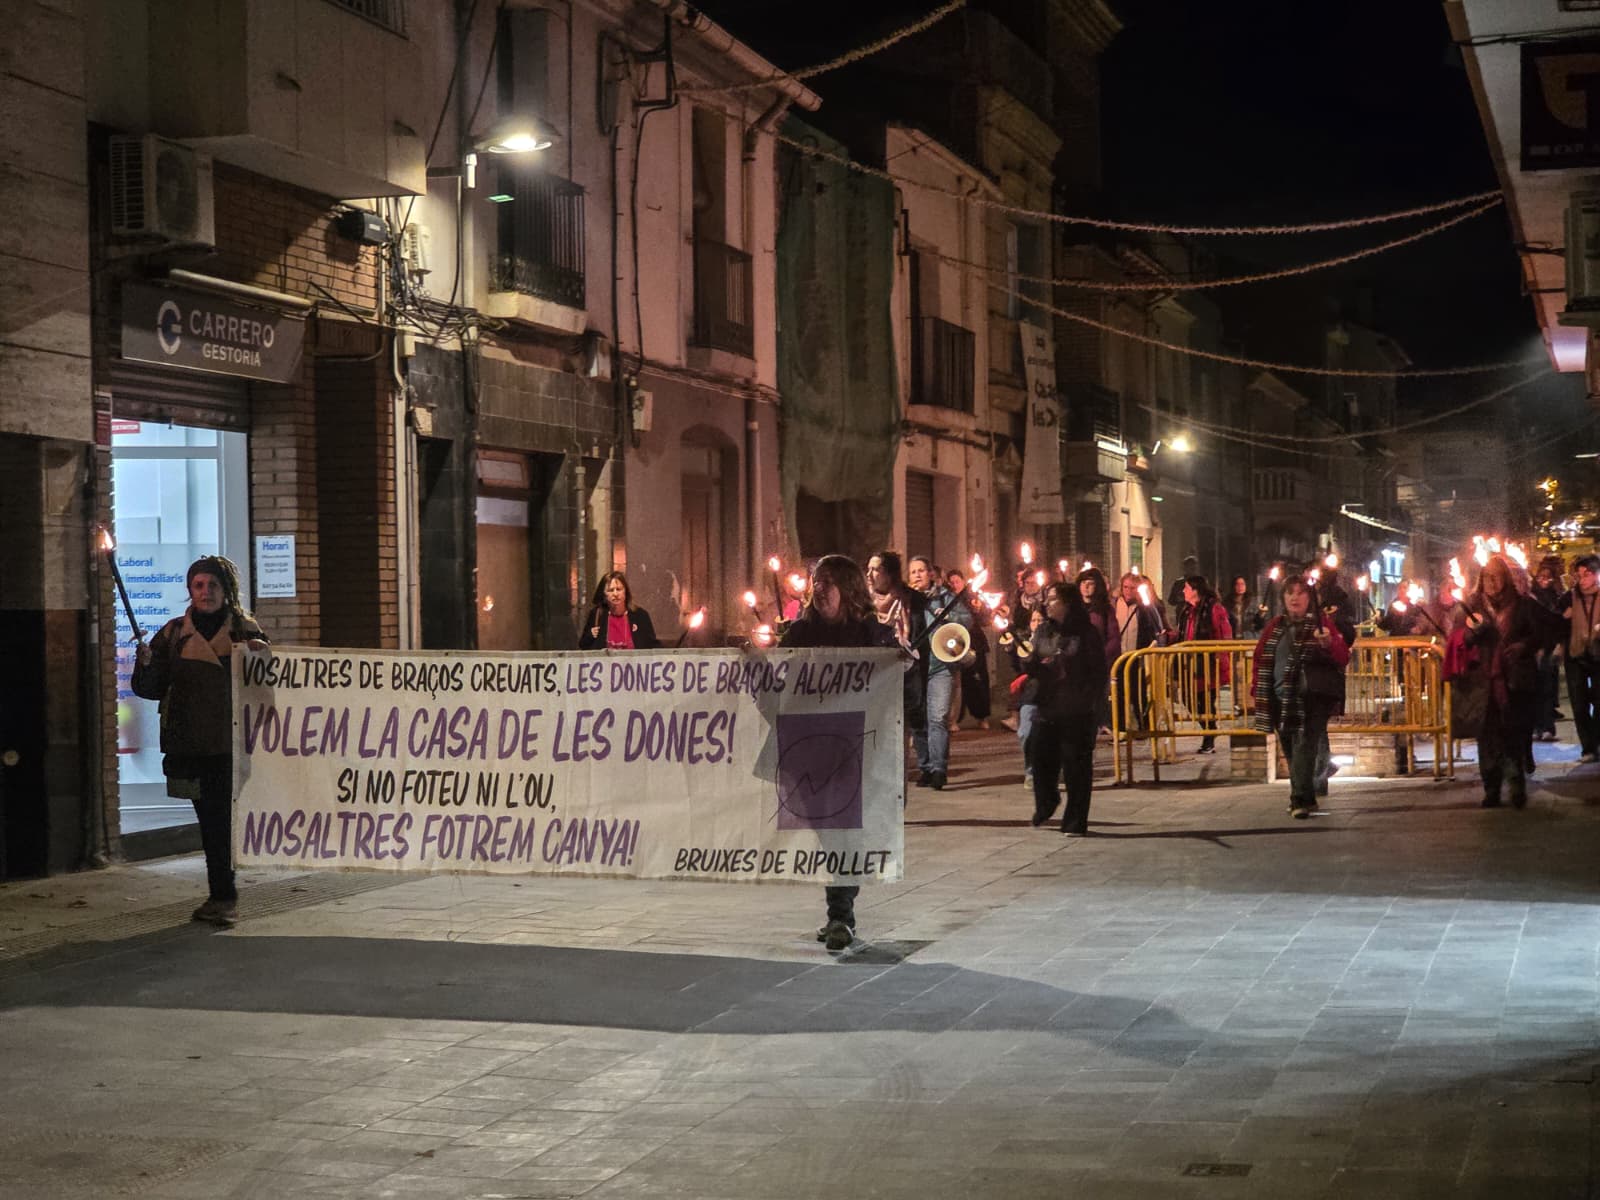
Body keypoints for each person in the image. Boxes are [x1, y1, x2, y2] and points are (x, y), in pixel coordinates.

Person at [130, 556, 268, 927]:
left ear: (227, 590)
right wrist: (144, 664)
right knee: (208, 820)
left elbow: (264, 692)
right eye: (199, 586)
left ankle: (224, 897)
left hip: (227, 745)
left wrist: (260, 659)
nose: (206, 593)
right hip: (187, 746)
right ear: (190, 590)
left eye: (213, 586)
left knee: (219, 821)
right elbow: (150, 688)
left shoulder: (245, 632)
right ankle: (220, 894)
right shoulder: (174, 634)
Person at [780, 555, 899, 952]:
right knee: (828, 833)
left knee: (843, 830)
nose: (819, 588)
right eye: (817, 580)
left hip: (856, 745)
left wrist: (902, 664)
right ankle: (840, 906)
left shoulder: (873, 635)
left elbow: (896, 687)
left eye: (828, 581)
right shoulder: (799, 633)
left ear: (848, 589)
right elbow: (775, 680)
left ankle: (839, 914)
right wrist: (752, 660)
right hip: (809, 747)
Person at [1251, 579, 1350, 819]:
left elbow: (1342, 655)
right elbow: (1260, 657)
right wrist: (1256, 691)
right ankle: (1307, 797)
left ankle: (1298, 801)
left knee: (1305, 745)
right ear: (1283, 598)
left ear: (1310, 598)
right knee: (1290, 747)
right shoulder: (1275, 627)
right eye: (1289, 593)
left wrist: (1328, 643)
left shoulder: (1321, 624)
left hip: (1312, 696)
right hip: (1279, 697)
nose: (1294, 598)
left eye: (1300, 593)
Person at [1021, 582, 1108, 835]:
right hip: (1048, 705)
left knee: (1075, 766)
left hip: (1077, 708)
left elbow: (1097, 671)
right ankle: (1047, 802)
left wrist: (1093, 703)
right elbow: (1033, 664)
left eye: (1053, 599)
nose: (1047, 604)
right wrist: (1026, 659)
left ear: (1067, 603)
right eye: (1047, 599)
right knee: (1040, 758)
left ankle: (1075, 820)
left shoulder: (1086, 632)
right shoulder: (1044, 630)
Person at [907, 555, 970, 789]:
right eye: (912, 572)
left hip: (939, 665)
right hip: (913, 668)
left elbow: (966, 620)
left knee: (938, 717)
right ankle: (925, 767)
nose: (917, 575)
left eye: (921, 570)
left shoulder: (945, 597)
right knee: (918, 720)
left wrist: (949, 615)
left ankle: (939, 769)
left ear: (931, 573)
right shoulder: (906, 600)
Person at [868, 551, 928, 769]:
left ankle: (927, 766)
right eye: (869, 569)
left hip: (908, 666)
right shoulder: (864, 602)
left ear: (890, 574)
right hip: (878, 668)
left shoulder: (912, 599)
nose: (870, 574)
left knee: (914, 716)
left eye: (876, 569)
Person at [1175, 575, 1233, 753]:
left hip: (1208, 664)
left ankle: (1208, 739)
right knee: (1188, 698)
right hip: (1190, 665)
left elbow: (1224, 635)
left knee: (1206, 702)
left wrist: (1220, 660)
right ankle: (1210, 730)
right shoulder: (1187, 611)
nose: (1183, 591)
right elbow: (1183, 633)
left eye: (1186, 588)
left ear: (1195, 590)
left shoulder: (1214, 609)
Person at [1112, 572, 1168, 731]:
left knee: (1139, 693)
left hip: (1137, 658)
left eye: (1132, 588)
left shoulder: (1145, 607)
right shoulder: (1115, 604)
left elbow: (1156, 628)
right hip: (1120, 658)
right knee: (1120, 694)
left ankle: (1144, 725)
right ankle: (1121, 728)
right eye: (1125, 587)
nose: (1128, 591)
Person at [1560, 554, 1600, 763]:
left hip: (1598, 655)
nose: (1582, 578)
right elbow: (1554, 620)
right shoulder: (1569, 598)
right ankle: (1588, 747)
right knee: (1579, 703)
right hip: (1575, 656)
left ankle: (1596, 740)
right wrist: (1563, 618)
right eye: (1580, 574)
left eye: (1588, 574)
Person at [947, 569, 992, 731]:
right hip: (956, 644)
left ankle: (982, 716)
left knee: (978, 681)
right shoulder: (947, 599)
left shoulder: (974, 598)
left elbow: (986, 620)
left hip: (975, 643)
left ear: (964, 582)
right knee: (959, 683)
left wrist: (979, 609)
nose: (954, 585)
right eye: (951, 582)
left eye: (957, 581)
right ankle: (955, 719)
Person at [1076, 568, 1119, 732]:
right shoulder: (1074, 609)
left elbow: (1113, 637)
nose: (1086, 587)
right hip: (1077, 662)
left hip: (1098, 663)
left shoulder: (1105, 610)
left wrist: (1101, 658)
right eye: (1083, 583)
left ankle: (1101, 722)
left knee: (1099, 695)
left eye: (1091, 583)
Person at [1531, 556, 1565, 743]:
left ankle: (1547, 727)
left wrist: (1559, 645)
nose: (1544, 580)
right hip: (1535, 648)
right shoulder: (1531, 598)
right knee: (1535, 688)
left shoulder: (1556, 598)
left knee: (1547, 689)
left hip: (1550, 648)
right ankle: (1537, 725)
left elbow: (1559, 623)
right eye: (1541, 576)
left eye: (1548, 577)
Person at [578, 572, 658, 650]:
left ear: (625, 591)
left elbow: (653, 646)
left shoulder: (640, 616)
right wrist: (590, 635)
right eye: (611, 590)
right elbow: (583, 645)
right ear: (604, 595)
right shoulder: (597, 614)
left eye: (619, 589)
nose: (615, 594)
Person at [1224, 575, 1263, 639]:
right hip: (1232, 638)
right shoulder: (1226, 604)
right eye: (1237, 584)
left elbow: (1260, 625)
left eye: (1242, 584)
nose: (1240, 587)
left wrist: (1260, 617)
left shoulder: (1253, 603)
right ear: (1233, 587)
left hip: (1249, 638)